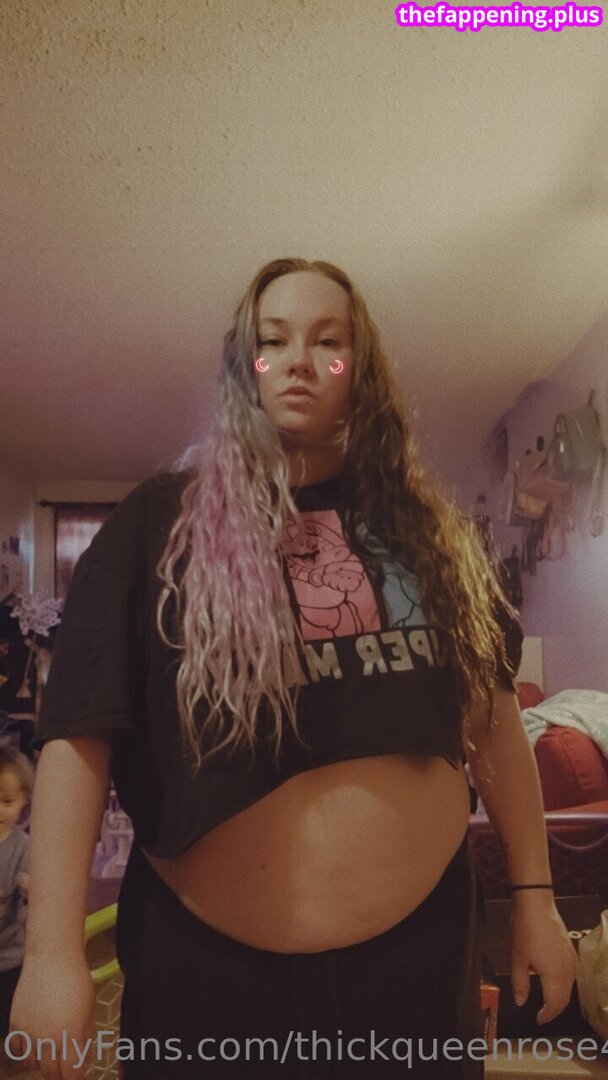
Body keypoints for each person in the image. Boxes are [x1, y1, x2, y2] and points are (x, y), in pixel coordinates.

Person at [11, 259, 576, 1079]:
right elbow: (78, 738)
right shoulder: (155, 525)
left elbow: (491, 721)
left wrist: (536, 901)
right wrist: (51, 953)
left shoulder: (428, 533)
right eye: (273, 341)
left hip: (417, 973)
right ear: (246, 366)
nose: (300, 362)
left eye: (328, 343)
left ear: (360, 370)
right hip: (210, 984)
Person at [0, 746, 33, 1044]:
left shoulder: (23, 847)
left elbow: (34, 883)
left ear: (24, 799)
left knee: (10, 1021)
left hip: (10, 955)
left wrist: (32, 886)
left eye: (7, 801)